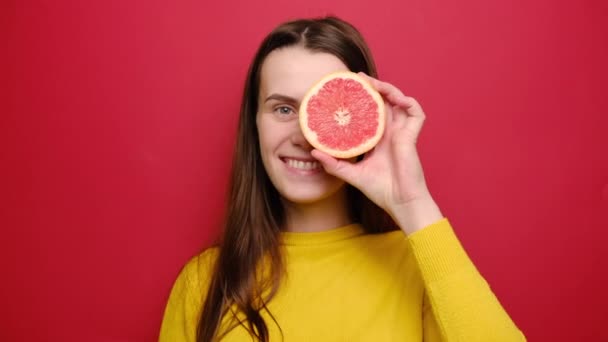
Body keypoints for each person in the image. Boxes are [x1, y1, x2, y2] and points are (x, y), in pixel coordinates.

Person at [159, 16, 526, 341]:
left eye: (328, 110)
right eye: (283, 109)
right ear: (254, 125)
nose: (305, 135)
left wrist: (413, 203)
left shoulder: (417, 267)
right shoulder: (203, 283)